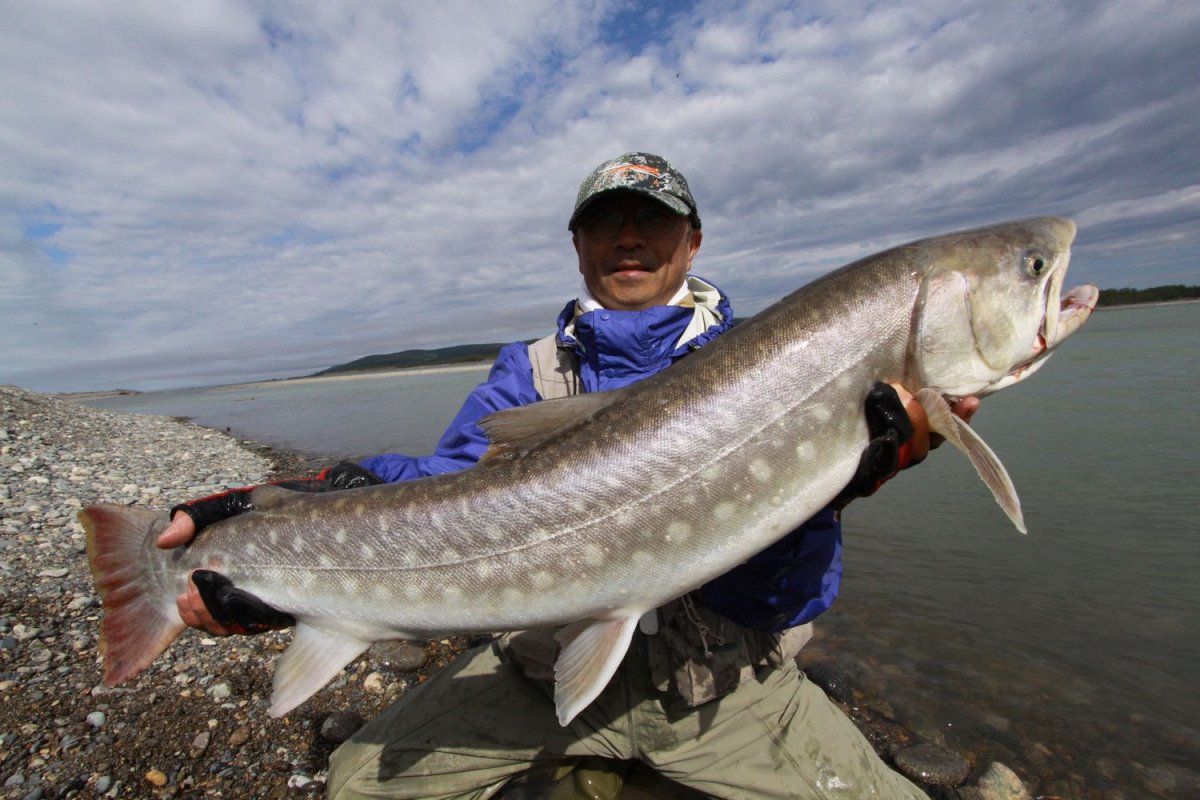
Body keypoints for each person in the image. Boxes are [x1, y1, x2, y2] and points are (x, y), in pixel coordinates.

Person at [158, 153, 978, 799]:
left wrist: (840, 480)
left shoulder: (784, 362)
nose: (629, 237)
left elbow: (785, 599)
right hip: (538, 674)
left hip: (721, 689)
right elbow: (443, 486)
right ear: (579, 246)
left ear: (692, 243)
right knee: (358, 786)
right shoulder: (528, 373)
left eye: (652, 222)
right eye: (606, 222)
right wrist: (302, 503)